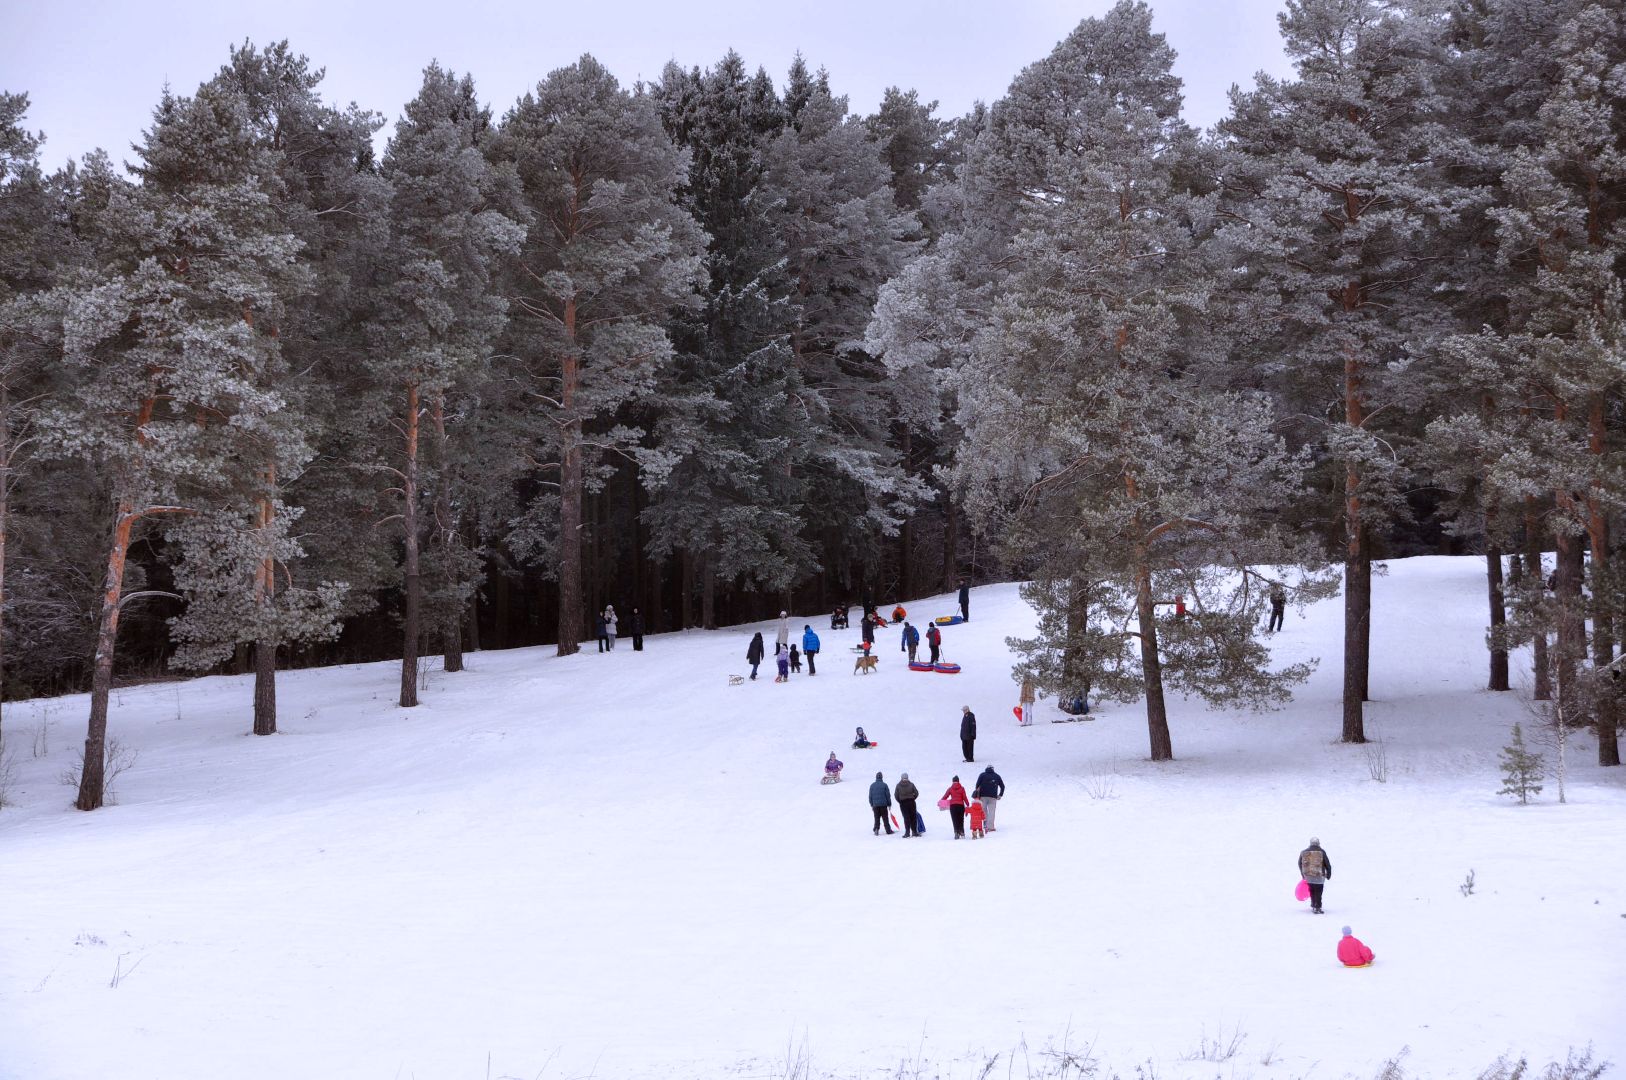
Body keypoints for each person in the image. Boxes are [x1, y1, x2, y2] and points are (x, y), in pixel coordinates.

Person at [1299, 837, 1333, 914]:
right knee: (1318, 891)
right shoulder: (1321, 852)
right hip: (1319, 876)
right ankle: (1317, 907)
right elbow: (1327, 864)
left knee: (1312, 891)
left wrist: (1303, 874)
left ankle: (1313, 904)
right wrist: (1328, 875)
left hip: (1308, 876)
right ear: (1318, 843)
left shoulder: (1304, 852)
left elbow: (1299, 863)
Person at [973, 765, 1004, 831]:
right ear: (993, 769)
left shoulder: (982, 775)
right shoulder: (997, 776)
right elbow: (1002, 786)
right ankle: (991, 827)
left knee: (984, 811)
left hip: (983, 796)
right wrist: (1000, 795)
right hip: (993, 797)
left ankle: (985, 825)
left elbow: (977, 785)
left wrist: (978, 794)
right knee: (992, 812)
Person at [894, 773, 920, 837]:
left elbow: (896, 795)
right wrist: (913, 798)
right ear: (907, 777)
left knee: (906, 818)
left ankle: (907, 833)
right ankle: (914, 832)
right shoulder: (911, 784)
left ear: (901, 778)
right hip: (911, 802)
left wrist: (900, 801)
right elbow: (916, 793)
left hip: (903, 803)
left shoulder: (898, 785)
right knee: (913, 817)